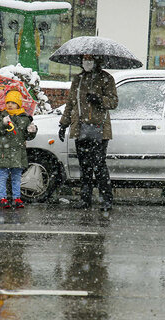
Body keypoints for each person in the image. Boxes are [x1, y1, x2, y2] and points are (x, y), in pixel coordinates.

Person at [58, 54, 118, 211]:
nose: (87, 62)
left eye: (90, 59)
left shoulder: (106, 78)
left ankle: (106, 199)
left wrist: (99, 99)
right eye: (84, 59)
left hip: (100, 129)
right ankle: (85, 199)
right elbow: (71, 103)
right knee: (85, 167)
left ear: (96, 61)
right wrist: (63, 124)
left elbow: (113, 102)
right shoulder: (78, 79)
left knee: (99, 165)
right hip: (80, 128)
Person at [0, 90, 37, 209]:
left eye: (13, 102)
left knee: (17, 176)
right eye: (8, 102)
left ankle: (16, 198)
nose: (10, 105)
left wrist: (32, 131)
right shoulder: (2, 116)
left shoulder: (25, 118)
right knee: (2, 176)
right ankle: (2, 198)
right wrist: (3, 124)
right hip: (4, 152)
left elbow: (27, 136)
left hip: (18, 152)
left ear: (18, 104)